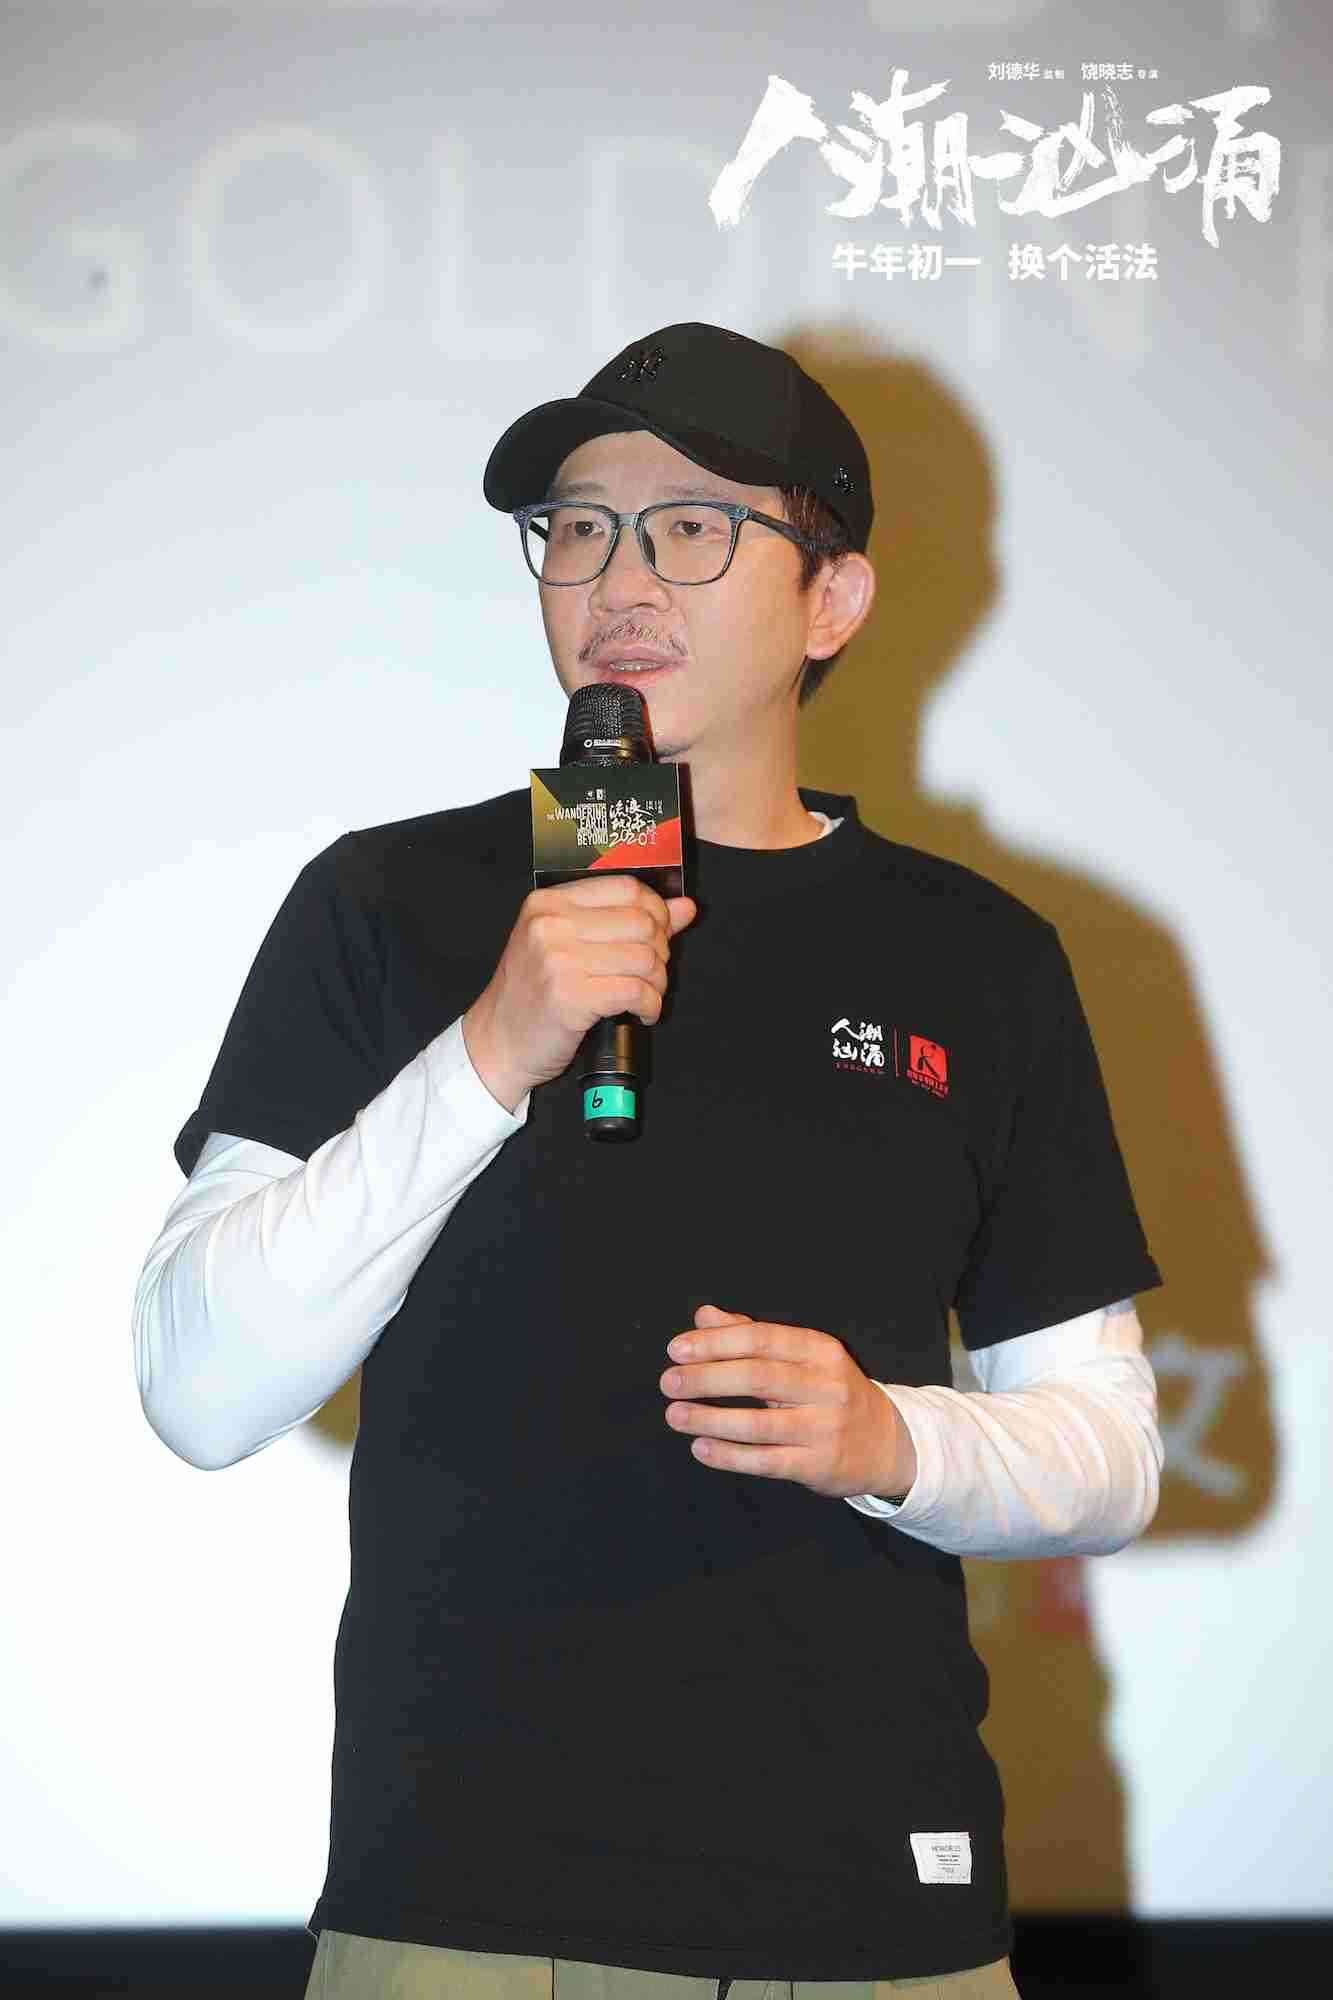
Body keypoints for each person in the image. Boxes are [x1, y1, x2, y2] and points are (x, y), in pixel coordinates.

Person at [133, 322, 1164, 2000]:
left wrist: (889, 1437)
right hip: (470, 1913)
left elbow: (1107, 1454)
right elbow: (199, 1386)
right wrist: (490, 1050)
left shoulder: (977, 958)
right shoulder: (388, 904)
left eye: (690, 527)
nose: (616, 578)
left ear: (831, 599)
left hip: (874, 1911)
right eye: (576, 527)